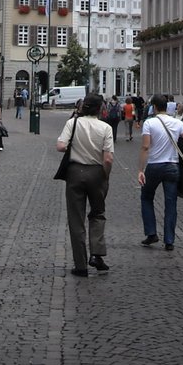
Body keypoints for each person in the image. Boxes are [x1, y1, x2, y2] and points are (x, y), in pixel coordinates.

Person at [56, 92, 114, 277]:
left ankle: (80, 264)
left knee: (76, 218)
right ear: (101, 109)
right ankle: (96, 254)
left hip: (75, 172)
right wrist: (105, 175)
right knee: (97, 213)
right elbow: (108, 158)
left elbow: (60, 146)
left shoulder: (72, 123)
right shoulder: (105, 128)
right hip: (97, 172)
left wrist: (73, 145)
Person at [138, 93, 183, 251]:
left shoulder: (150, 123)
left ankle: (151, 233)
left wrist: (140, 170)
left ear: (154, 107)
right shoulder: (177, 123)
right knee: (171, 203)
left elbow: (145, 147)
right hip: (172, 166)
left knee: (146, 197)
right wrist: (178, 146)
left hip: (154, 166)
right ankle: (169, 240)